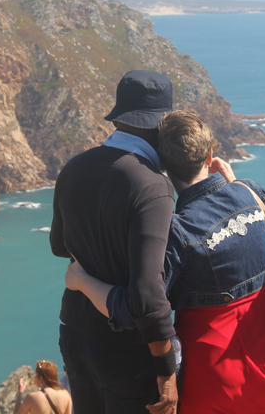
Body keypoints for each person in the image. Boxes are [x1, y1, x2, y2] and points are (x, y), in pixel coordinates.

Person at [65, 111, 265, 414]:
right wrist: (237, 185)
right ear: (210, 154)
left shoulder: (177, 232)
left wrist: (82, 281)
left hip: (211, 374)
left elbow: (137, 309)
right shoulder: (249, 191)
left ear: (162, 165)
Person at [50, 70, 178, 414]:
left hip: (75, 334)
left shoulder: (74, 167)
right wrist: (167, 373)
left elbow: (59, 247)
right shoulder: (153, 186)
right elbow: (148, 292)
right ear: (162, 125)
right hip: (127, 352)